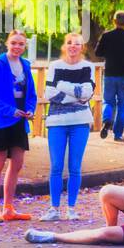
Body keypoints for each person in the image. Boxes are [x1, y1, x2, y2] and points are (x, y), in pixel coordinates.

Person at [0, 30, 37, 223]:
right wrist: (10, 110)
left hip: (19, 121)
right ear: (7, 43)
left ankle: (9, 207)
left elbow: (31, 95)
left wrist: (30, 110)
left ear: (25, 46)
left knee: (18, 163)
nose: (17, 47)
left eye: (21, 44)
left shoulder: (26, 65)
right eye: (14, 43)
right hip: (1, 121)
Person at [41, 32, 96, 222]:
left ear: (82, 47)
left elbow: (86, 95)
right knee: (56, 165)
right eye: (70, 43)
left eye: (78, 44)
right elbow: (49, 93)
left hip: (80, 121)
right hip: (56, 122)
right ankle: (54, 208)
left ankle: (71, 208)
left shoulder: (88, 67)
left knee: (75, 166)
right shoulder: (55, 66)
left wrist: (63, 86)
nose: (73, 46)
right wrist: (75, 93)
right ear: (64, 46)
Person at [94, 10, 124, 141]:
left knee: (108, 101)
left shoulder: (106, 36)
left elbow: (98, 52)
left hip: (109, 74)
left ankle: (107, 120)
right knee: (122, 105)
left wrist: (108, 52)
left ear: (114, 21)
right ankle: (118, 134)